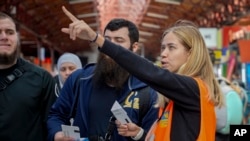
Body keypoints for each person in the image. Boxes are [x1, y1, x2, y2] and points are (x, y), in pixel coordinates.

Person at [60, 6, 224, 141]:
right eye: (163, 48)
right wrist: (139, 134)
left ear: (191, 53)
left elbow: (149, 71)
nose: (164, 54)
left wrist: (97, 38)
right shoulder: (176, 98)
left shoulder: (192, 88)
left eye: (171, 47)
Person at [47, 17, 159, 141]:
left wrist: (138, 134)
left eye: (119, 40)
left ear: (134, 46)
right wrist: (57, 134)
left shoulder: (146, 90)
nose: (110, 46)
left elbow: (153, 136)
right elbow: (56, 115)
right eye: (107, 40)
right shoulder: (80, 79)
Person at [0, 12, 56, 141]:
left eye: (9, 32)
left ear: (17, 37)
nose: (4, 37)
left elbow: (53, 124)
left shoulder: (41, 79)